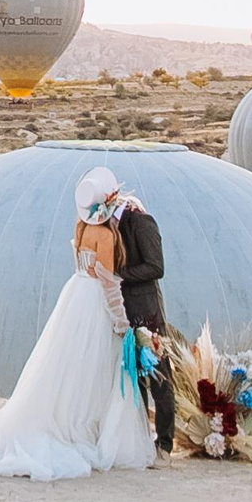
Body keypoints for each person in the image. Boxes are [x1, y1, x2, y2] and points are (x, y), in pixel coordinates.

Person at [0, 167, 156, 479]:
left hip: (75, 293)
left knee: (67, 363)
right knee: (93, 366)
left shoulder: (81, 228)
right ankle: (85, 428)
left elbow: (85, 268)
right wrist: (121, 322)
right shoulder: (106, 235)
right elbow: (107, 282)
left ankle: (66, 419)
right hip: (93, 301)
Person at [114, 177, 176, 454]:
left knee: (159, 379)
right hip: (123, 311)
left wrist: (119, 276)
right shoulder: (109, 227)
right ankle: (140, 439)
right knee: (133, 378)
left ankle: (164, 443)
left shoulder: (141, 222)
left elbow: (155, 267)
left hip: (147, 311)